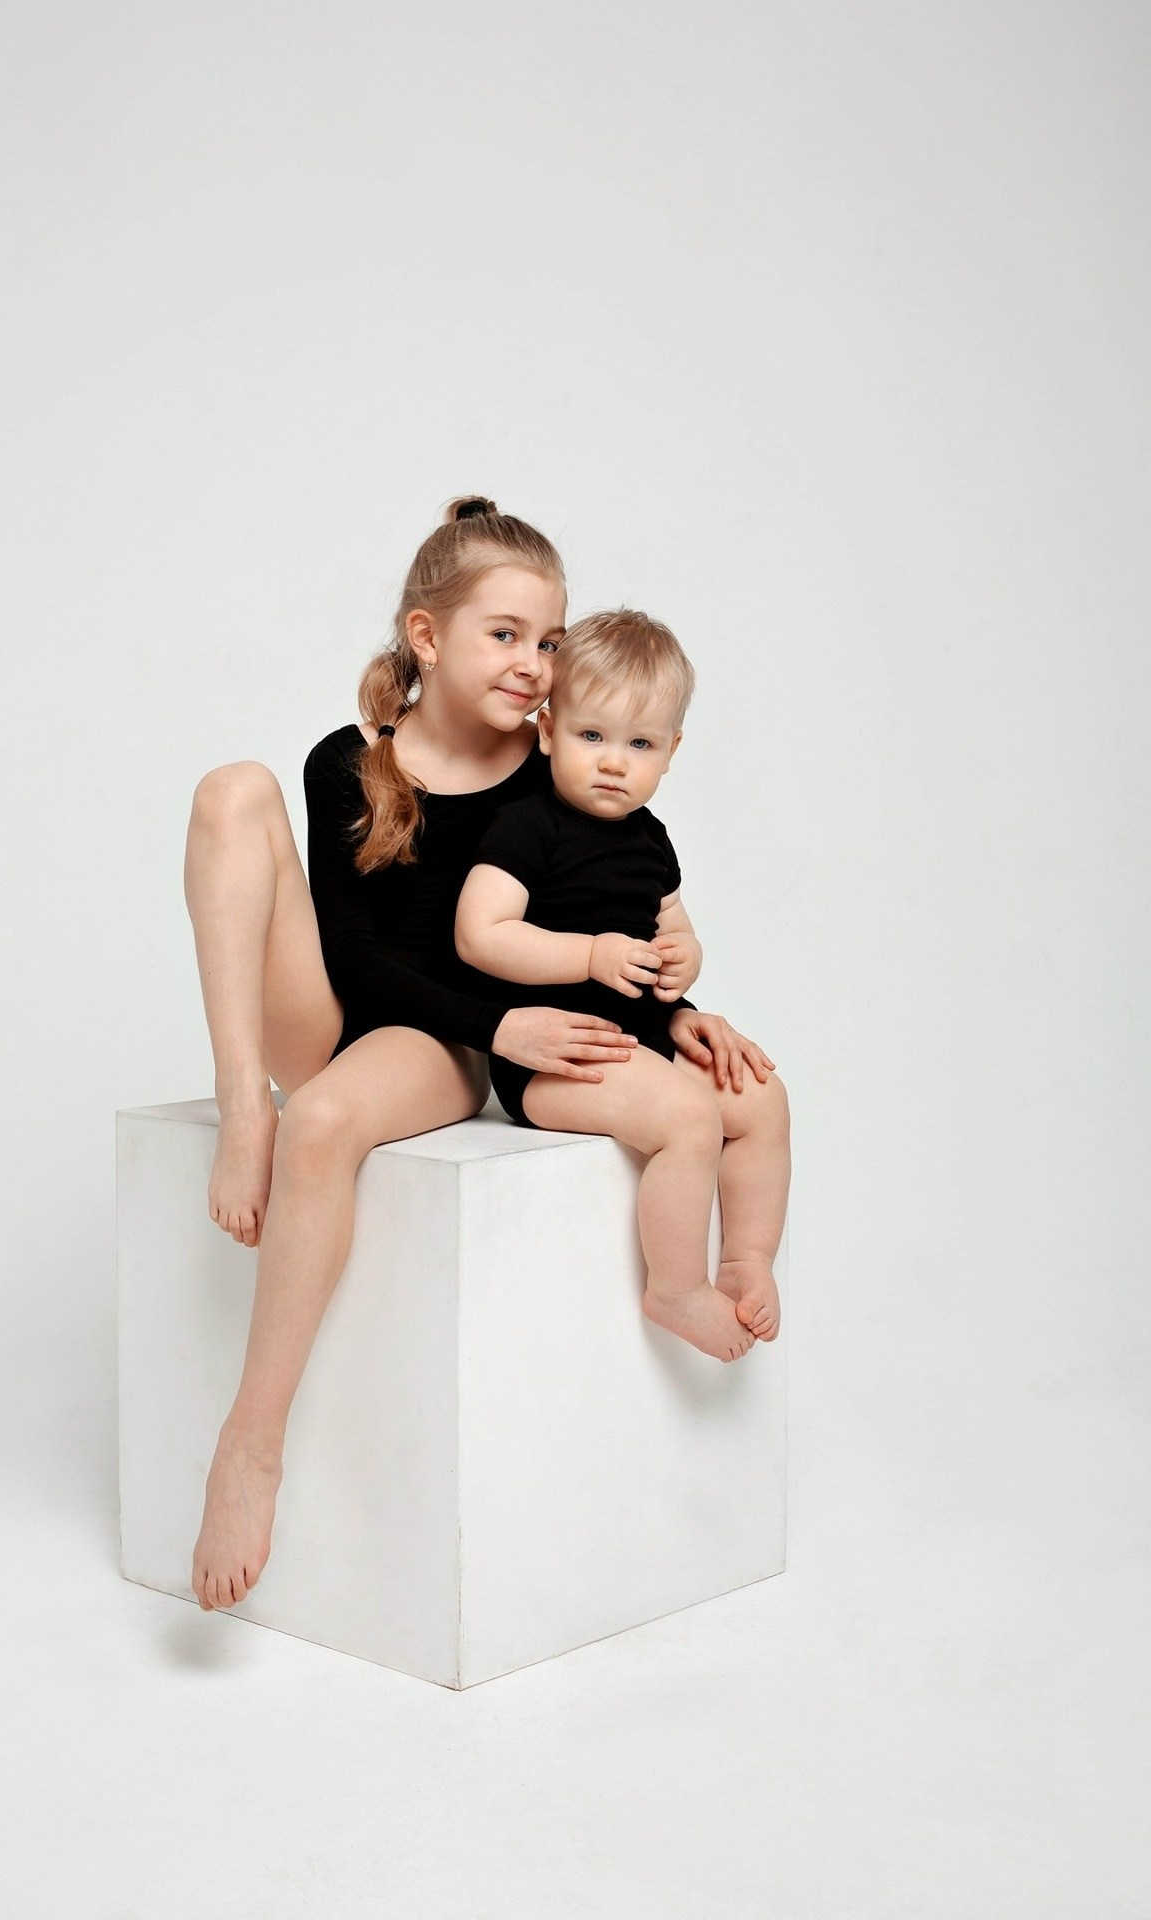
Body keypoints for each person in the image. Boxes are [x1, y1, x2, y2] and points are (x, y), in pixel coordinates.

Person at [182, 498, 780, 1613]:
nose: (533, 665)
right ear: (426, 637)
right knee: (230, 791)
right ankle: (240, 1102)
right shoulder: (348, 763)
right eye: (504, 635)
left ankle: (250, 1442)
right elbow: (355, 957)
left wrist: (679, 1011)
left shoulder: (555, 762)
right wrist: (501, 1023)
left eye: (547, 641)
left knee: (327, 1121)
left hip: (442, 1044)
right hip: (348, 1009)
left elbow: (606, 917)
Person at [454, 609, 790, 1366]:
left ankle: (746, 1259)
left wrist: (684, 958)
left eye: (640, 744)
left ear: (671, 752)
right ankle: (675, 1287)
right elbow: (481, 933)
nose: (613, 763)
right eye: (591, 736)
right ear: (547, 732)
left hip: (636, 1040)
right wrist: (589, 956)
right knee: (688, 1118)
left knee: (761, 1099)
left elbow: (674, 925)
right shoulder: (526, 827)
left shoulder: (650, 838)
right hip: (551, 1059)